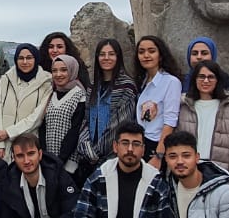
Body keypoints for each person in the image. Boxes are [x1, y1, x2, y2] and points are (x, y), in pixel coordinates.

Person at [75, 38, 137, 173]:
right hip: (89, 156)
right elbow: (86, 118)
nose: (106, 58)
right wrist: (86, 146)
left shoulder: (127, 86)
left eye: (111, 54)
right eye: (102, 54)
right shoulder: (93, 86)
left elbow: (120, 123)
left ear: (118, 57)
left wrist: (96, 151)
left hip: (113, 155)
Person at [177, 58, 229, 184]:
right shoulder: (184, 105)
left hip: (220, 172)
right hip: (189, 171)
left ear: (218, 80)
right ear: (194, 79)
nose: (206, 81)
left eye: (210, 77)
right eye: (201, 77)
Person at [0, 43, 53, 162]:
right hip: (4, 145)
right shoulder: (6, 79)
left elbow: (37, 117)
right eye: (20, 58)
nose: (25, 62)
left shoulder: (46, 83)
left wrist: (9, 132)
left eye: (29, 58)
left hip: (28, 143)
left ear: (36, 59)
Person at [133, 35, 184, 164]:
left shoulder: (171, 82)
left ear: (160, 55)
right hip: (140, 142)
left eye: (151, 51)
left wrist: (159, 155)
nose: (146, 55)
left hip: (156, 144)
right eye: (141, 52)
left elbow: (170, 121)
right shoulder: (142, 82)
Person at [41, 55, 88, 171]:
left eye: (63, 70)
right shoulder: (51, 94)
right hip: (49, 161)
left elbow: (75, 130)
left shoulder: (79, 95)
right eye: (54, 71)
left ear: (72, 71)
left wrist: (60, 159)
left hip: (69, 163)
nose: (58, 74)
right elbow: (44, 126)